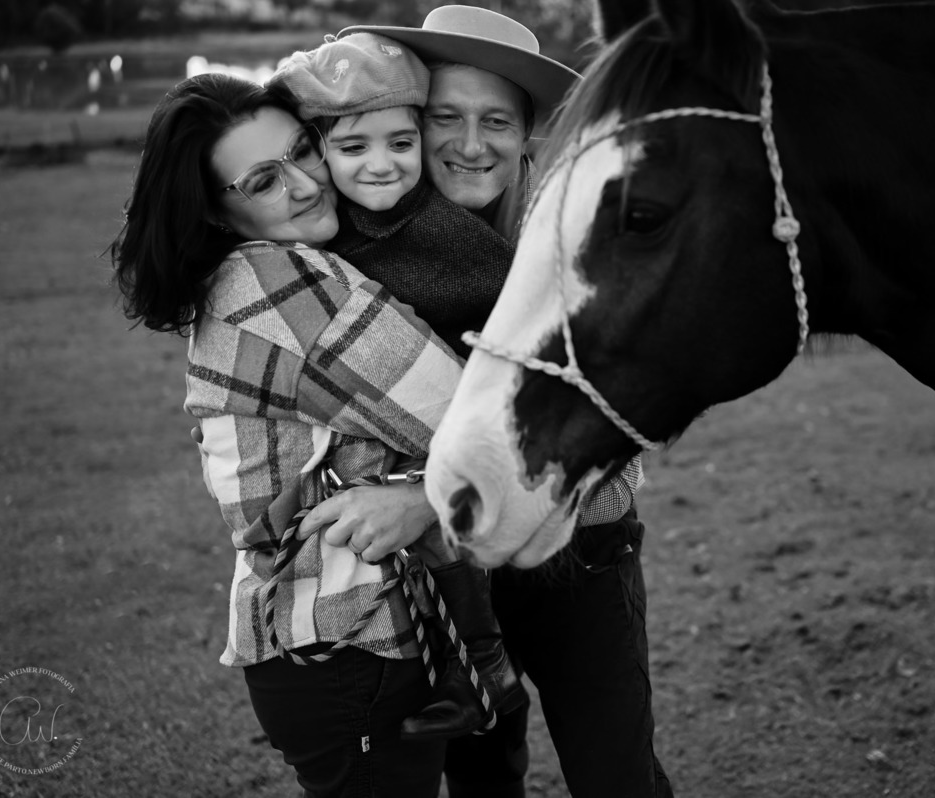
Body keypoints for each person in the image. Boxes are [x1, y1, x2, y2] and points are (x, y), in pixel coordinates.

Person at [304, 7, 673, 798]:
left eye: (496, 121)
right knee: (482, 780)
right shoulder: (354, 246)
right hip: (443, 582)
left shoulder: (575, 238)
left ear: (527, 133)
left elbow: (613, 450)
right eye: (447, 117)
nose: (471, 144)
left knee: (618, 778)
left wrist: (424, 501)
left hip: (577, 553)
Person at [110, 73, 466, 797]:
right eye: (264, 180)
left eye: (304, 150)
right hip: (347, 647)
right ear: (214, 211)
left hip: (322, 646)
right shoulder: (276, 283)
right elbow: (472, 420)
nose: (306, 184)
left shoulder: (244, 277)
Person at [264, 30, 528, 738]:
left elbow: (519, 328)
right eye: (353, 147)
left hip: (463, 427)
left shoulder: (451, 237)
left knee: (441, 546)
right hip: (379, 435)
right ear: (318, 151)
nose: (381, 165)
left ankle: (484, 667)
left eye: (400, 144)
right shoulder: (326, 224)